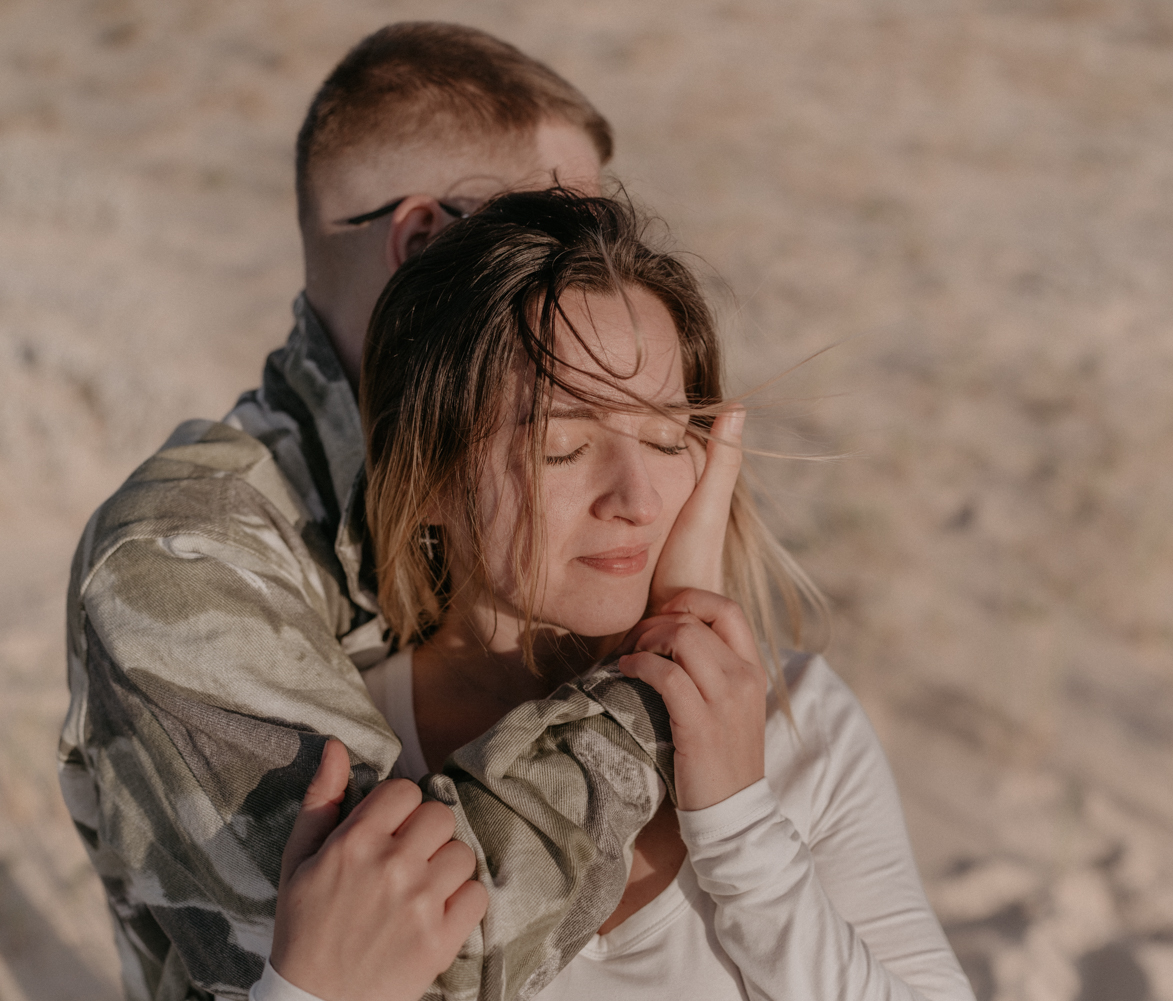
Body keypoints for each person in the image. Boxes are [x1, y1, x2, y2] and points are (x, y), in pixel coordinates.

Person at [58, 22, 662, 1001]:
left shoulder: (568, 474)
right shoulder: (176, 559)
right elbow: (430, 964)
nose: (603, 273)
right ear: (423, 239)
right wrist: (674, 672)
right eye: (559, 234)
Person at [257, 187, 976, 1001]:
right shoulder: (350, 763)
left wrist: (742, 828)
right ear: (425, 478)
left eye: (667, 436)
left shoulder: (790, 715)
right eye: (562, 446)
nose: (636, 496)